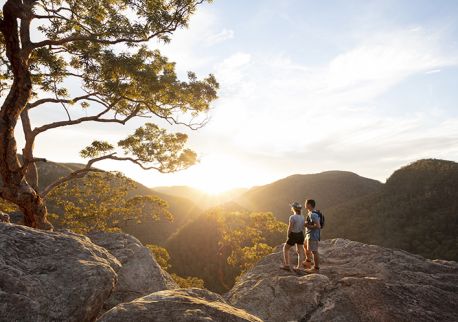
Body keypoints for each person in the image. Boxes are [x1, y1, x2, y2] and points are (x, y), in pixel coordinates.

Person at [281, 202, 306, 271]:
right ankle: (299, 267)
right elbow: (303, 227)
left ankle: (287, 265)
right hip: (300, 234)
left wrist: (288, 236)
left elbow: (290, 228)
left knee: (286, 248)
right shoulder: (302, 217)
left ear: (293, 209)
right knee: (300, 251)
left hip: (294, 235)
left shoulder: (292, 217)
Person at [303, 199, 320, 273]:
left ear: (309, 205)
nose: (305, 204)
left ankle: (316, 268)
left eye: (306, 203)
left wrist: (308, 226)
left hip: (313, 235)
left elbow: (318, 226)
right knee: (305, 245)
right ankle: (308, 261)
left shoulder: (313, 214)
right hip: (309, 235)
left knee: (314, 252)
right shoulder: (310, 213)